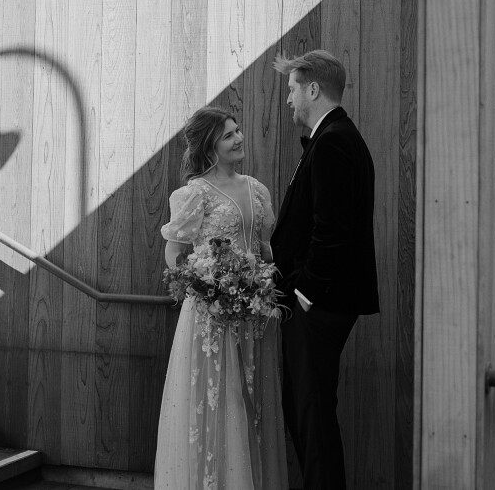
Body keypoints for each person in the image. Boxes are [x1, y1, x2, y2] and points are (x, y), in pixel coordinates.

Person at [154, 106, 288, 490]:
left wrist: (263, 279)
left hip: (254, 313)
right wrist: (207, 279)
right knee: (220, 400)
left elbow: (264, 248)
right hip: (211, 317)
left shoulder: (255, 189)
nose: (239, 138)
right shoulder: (194, 194)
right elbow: (174, 254)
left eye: (238, 130)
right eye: (228, 135)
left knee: (253, 402)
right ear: (210, 146)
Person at [271, 50, 379, 489]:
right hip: (319, 303)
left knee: (312, 418)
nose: (289, 100)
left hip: (318, 305)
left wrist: (304, 293)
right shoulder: (332, 136)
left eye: (293, 89)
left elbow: (331, 230)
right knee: (307, 414)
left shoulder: (333, 140)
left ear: (313, 89)